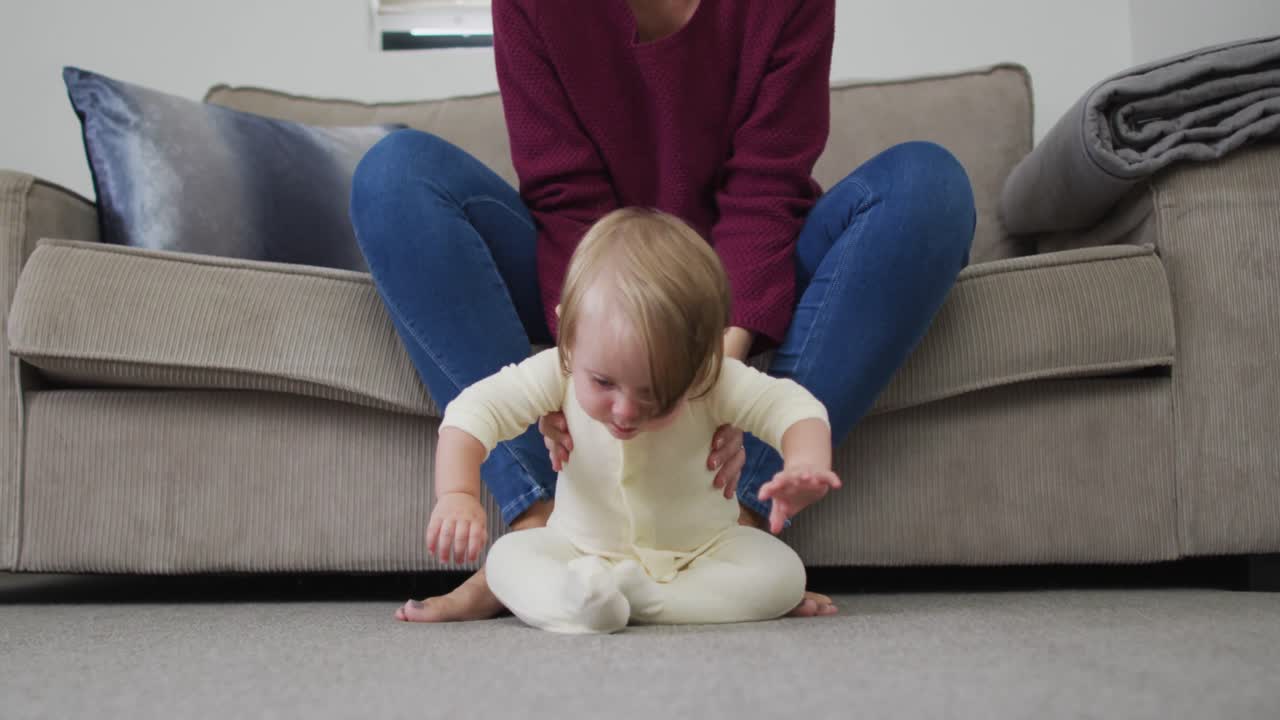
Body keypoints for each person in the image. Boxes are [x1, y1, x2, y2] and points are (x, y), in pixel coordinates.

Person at [349, 0, 975, 622]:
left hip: (740, 290)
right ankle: (541, 526)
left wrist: (702, 375)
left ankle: (741, 518)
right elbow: (566, 196)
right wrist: (590, 353)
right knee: (394, 176)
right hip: (591, 280)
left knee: (927, 187)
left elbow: (765, 191)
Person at [423, 208, 839, 633]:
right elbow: (475, 410)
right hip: (576, 549)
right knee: (507, 560)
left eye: (656, 393)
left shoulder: (710, 377)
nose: (625, 410)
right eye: (603, 382)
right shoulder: (561, 367)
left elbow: (792, 407)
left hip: (704, 549)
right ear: (568, 334)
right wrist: (457, 492)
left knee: (782, 574)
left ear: (701, 360)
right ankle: (584, 600)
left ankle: (639, 599)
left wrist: (805, 461)